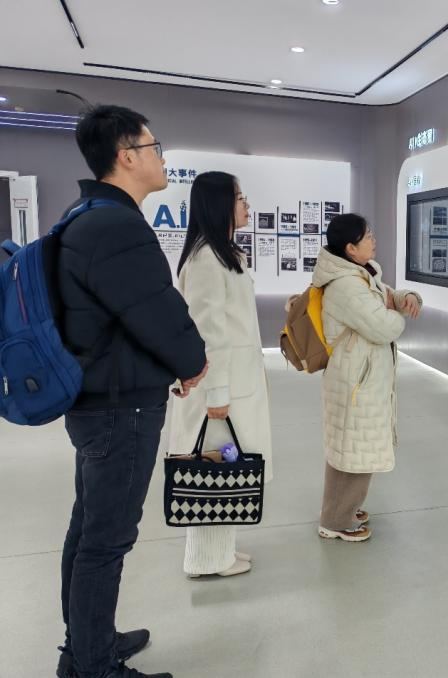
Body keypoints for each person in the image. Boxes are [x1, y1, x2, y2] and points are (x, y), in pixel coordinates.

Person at [57, 105, 208, 678]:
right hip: (122, 407)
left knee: (89, 531)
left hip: (101, 400)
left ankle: (87, 646)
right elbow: (157, 311)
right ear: (126, 156)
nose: (161, 157)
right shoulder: (116, 226)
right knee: (104, 541)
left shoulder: (86, 215)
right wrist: (192, 362)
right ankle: (92, 665)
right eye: (154, 147)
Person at [168, 171, 273, 578]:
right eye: (239, 197)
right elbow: (208, 333)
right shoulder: (205, 259)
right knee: (213, 469)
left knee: (230, 469)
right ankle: (205, 559)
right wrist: (216, 393)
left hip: (234, 383)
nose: (246, 204)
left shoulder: (223, 253)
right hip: (219, 390)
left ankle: (220, 550)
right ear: (219, 204)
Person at [312, 214, 422, 542]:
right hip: (356, 383)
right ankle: (337, 521)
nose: (374, 240)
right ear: (350, 248)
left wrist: (406, 297)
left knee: (351, 449)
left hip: (359, 379)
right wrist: (394, 311)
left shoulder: (362, 274)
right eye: (367, 236)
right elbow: (384, 326)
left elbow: (388, 295)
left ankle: (341, 510)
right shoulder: (347, 285)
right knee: (356, 453)